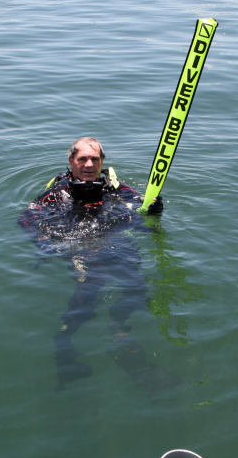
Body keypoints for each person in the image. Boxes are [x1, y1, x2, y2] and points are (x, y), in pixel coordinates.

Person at [19, 137, 175, 392]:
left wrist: (154, 210)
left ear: (102, 162)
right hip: (80, 249)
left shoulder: (117, 189)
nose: (89, 164)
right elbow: (27, 220)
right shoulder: (56, 195)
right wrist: (47, 245)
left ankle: (118, 326)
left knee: (137, 288)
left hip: (115, 244)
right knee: (88, 292)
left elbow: (140, 212)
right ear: (71, 162)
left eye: (95, 159)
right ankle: (65, 345)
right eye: (82, 159)